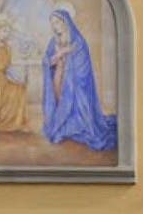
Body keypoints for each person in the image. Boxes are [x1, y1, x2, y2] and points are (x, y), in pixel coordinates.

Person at [41, 9, 117, 151]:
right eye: (53, 23)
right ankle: (62, 127)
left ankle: (73, 127)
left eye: (57, 22)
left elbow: (83, 68)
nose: (55, 26)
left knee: (71, 103)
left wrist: (67, 62)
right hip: (58, 77)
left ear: (65, 22)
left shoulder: (78, 41)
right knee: (59, 101)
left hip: (73, 84)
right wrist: (56, 57)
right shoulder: (54, 41)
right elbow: (47, 60)